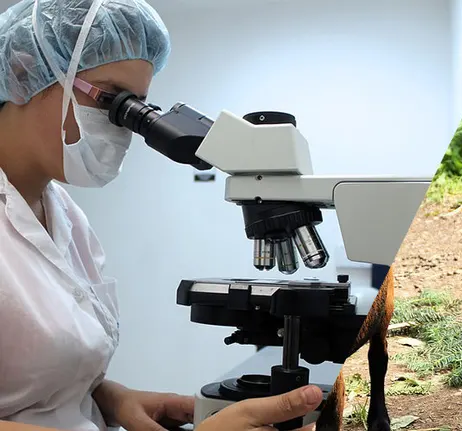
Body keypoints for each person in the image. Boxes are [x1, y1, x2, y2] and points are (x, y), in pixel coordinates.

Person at [0, 1, 323, 430]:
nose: (122, 127)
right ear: (25, 73)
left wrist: (111, 399)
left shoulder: (65, 215)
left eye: (137, 106)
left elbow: (29, 380)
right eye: (112, 99)